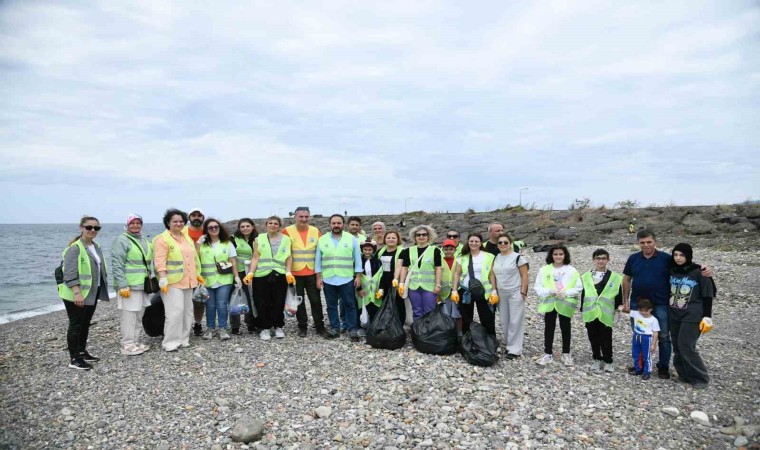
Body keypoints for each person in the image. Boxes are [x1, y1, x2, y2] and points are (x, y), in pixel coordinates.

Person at [622, 230, 713, 379]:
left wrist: (704, 268)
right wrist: (625, 302)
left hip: (661, 304)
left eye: (649, 242)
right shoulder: (633, 259)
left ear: (655, 242)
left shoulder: (666, 258)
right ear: (638, 243)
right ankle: (640, 365)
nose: (646, 245)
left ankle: (663, 366)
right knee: (639, 334)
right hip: (637, 304)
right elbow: (626, 279)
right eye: (642, 243)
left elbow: (684, 264)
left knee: (664, 336)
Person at [58, 216, 109, 370]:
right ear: (81, 228)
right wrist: (76, 293)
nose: (92, 230)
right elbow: (70, 273)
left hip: (92, 291)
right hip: (77, 293)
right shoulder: (74, 248)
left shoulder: (96, 246)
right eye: (89, 227)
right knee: (76, 324)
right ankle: (74, 359)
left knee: (85, 323)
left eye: (96, 228)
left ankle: (81, 351)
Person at [153, 208, 204, 352]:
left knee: (188, 311)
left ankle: (184, 339)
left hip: (188, 280)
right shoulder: (162, 239)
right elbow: (159, 260)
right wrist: (162, 278)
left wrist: (197, 274)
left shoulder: (186, 236)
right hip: (172, 281)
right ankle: (170, 342)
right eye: (175, 221)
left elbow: (193, 258)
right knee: (175, 312)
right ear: (168, 223)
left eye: (181, 221)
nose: (178, 223)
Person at [669, 243, 715, 389]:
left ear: (688, 255)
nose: (678, 258)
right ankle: (683, 374)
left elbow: (708, 294)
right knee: (676, 345)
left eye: (682, 255)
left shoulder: (698, 271)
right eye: (675, 255)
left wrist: (707, 316)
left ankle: (700, 377)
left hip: (692, 313)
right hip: (674, 312)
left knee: (686, 344)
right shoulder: (671, 269)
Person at [243, 216, 294, 340]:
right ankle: (265, 328)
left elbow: (288, 257)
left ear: (279, 226)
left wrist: (288, 272)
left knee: (278, 301)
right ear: (266, 224)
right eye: (270, 223)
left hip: (280, 274)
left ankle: (278, 326)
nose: (273, 225)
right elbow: (256, 257)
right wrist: (250, 273)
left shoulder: (287, 240)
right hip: (261, 274)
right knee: (262, 301)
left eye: (276, 223)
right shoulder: (258, 239)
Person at [316, 214, 363, 341]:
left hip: (346, 277)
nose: (336, 225)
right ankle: (334, 328)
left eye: (339, 223)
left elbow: (358, 259)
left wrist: (358, 276)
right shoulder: (323, 239)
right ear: (330, 224)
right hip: (328, 277)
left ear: (343, 224)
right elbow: (318, 260)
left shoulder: (351, 239)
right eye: (334, 223)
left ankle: (352, 329)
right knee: (331, 305)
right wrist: (318, 277)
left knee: (350, 304)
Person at [111, 214, 153, 356]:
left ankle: (135, 341)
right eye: (132, 223)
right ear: (127, 225)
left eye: (138, 223)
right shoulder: (122, 240)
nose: (135, 225)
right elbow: (117, 264)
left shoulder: (144, 241)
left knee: (138, 315)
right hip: (128, 286)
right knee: (128, 316)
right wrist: (122, 285)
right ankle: (127, 344)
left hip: (142, 286)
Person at [534, 244, 582, 367]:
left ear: (565, 255)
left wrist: (566, 293)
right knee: (549, 328)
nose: (558, 256)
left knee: (565, 328)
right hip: (550, 304)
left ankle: (566, 353)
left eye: (561, 254)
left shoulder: (572, 270)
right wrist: (548, 291)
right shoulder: (544, 270)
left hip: (565, 304)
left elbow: (578, 287)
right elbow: (538, 287)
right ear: (551, 255)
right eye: (555, 254)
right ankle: (547, 353)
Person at [283, 206, 327, 338]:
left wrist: (320, 275)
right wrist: (287, 272)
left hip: (312, 272)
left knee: (315, 300)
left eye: (306, 216)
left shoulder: (315, 231)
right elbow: (285, 252)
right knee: (299, 301)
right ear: (295, 217)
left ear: (310, 217)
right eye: (301, 216)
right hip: (295, 273)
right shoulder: (287, 231)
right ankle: (302, 326)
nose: (304, 219)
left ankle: (319, 326)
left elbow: (320, 253)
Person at [580, 249, 622, 372]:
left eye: (603, 258)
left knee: (606, 337)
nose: (601, 261)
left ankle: (608, 360)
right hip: (590, 312)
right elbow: (584, 293)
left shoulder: (615, 277)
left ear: (608, 260)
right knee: (593, 337)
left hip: (606, 313)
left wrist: (618, 308)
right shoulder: (586, 276)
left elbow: (618, 294)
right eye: (598, 258)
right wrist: (582, 310)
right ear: (593, 260)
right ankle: (597, 358)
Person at [197, 219, 240, 341]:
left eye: (216, 227)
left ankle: (223, 328)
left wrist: (237, 277)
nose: (214, 229)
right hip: (207, 279)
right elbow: (195, 258)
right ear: (206, 230)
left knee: (222, 305)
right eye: (210, 227)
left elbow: (233, 261)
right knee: (210, 305)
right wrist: (198, 244)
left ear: (220, 228)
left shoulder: (227, 243)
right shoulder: (203, 245)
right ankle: (210, 328)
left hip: (224, 279)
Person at [451, 233, 498, 335]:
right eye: (471, 241)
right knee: (466, 318)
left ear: (481, 243)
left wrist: (494, 290)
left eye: (476, 241)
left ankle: (490, 340)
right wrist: (454, 290)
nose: (474, 243)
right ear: (468, 242)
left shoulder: (489, 256)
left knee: (487, 317)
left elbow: (491, 274)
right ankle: (467, 341)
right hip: (465, 291)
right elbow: (457, 274)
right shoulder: (462, 257)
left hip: (484, 290)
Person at [492, 233, 529, 359]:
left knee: (515, 320)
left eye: (505, 242)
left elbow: (525, 275)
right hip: (501, 293)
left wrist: (523, 292)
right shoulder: (496, 257)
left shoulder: (518, 258)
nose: (503, 244)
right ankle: (509, 343)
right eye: (500, 242)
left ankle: (514, 349)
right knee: (504, 321)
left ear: (510, 244)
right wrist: (494, 290)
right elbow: (493, 274)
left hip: (515, 291)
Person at [398, 225, 443, 321]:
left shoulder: (435, 250)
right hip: (413, 286)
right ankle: (418, 333)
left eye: (424, 234)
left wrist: (438, 284)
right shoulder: (408, 251)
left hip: (429, 287)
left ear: (428, 236)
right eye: (418, 235)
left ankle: (429, 333)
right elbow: (404, 268)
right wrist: (401, 283)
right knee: (416, 311)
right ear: (415, 237)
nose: (421, 237)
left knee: (429, 311)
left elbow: (438, 268)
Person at [231, 218, 258, 335]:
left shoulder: (258, 239)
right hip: (238, 272)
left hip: (253, 271)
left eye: (247, 226)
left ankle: (251, 324)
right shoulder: (233, 239)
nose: (245, 228)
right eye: (242, 226)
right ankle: (235, 326)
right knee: (235, 298)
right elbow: (230, 257)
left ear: (252, 227)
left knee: (251, 298)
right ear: (239, 228)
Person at [186, 207, 207, 337]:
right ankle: (184, 326)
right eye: (193, 215)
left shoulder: (208, 231)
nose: (196, 218)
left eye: (199, 215)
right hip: (185, 272)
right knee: (184, 302)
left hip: (203, 272)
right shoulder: (183, 231)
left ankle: (198, 324)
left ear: (203, 218)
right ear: (189, 218)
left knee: (199, 301)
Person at [377, 230, 405, 324]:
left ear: (398, 240)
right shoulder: (380, 251)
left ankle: (399, 325)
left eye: (393, 238)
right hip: (383, 281)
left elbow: (403, 267)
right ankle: (386, 323)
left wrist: (399, 281)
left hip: (396, 282)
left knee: (398, 303)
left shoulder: (403, 252)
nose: (391, 240)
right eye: (388, 238)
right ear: (385, 239)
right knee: (383, 303)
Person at [356, 239, 383, 335]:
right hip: (363, 290)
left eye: (370, 250)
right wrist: (359, 289)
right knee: (362, 307)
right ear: (362, 250)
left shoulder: (377, 261)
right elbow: (356, 276)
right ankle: (363, 326)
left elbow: (380, 275)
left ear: (373, 250)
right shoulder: (359, 261)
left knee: (374, 308)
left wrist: (380, 289)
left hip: (375, 290)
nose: (367, 252)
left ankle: (373, 326)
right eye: (365, 250)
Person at [629, 298, 660, 380]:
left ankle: (647, 372)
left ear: (651, 309)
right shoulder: (636, 314)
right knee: (635, 353)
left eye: (646, 311)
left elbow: (655, 333)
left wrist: (653, 344)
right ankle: (637, 369)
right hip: (636, 336)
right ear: (638, 309)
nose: (643, 313)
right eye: (641, 310)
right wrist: (621, 307)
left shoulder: (653, 320)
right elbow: (628, 311)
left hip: (647, 338)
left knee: (647, 356)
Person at [439, 240, 462, 336]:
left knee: (458, 314)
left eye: (451, 249)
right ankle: (447, 333)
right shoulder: (439, 260)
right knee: (445, 313)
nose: (448, 251)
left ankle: (459, 333)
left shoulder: (459, 260)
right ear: (442, 249)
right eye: (446, 249)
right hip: (443, 292)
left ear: (455, 250)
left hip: (457, 290)